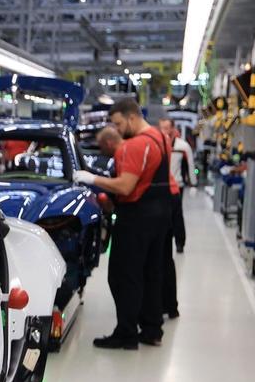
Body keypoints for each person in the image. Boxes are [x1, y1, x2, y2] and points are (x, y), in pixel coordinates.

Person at [73, 98, 178, 350]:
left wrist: (92, 178)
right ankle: (153, 329)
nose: (117, 130)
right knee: (152, 272)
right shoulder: (160, 137)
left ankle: (127, 333)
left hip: (137, 216)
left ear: (132, 117)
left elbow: (125, 186)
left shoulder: (135, 145)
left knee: (123, 275)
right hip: (162, 212)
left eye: (119, 124)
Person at [158, 118, 195, 252]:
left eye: (167, 128)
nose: (164, 131)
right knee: (161, 215)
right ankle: (162, 243)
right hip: (161, 186)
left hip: (177, 185)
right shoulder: (157, 144)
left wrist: (193, 183)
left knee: (177, 215)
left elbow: (190, 165)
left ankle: (180, 242)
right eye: (162, 127)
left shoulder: (183, 146)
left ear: (173, 128)